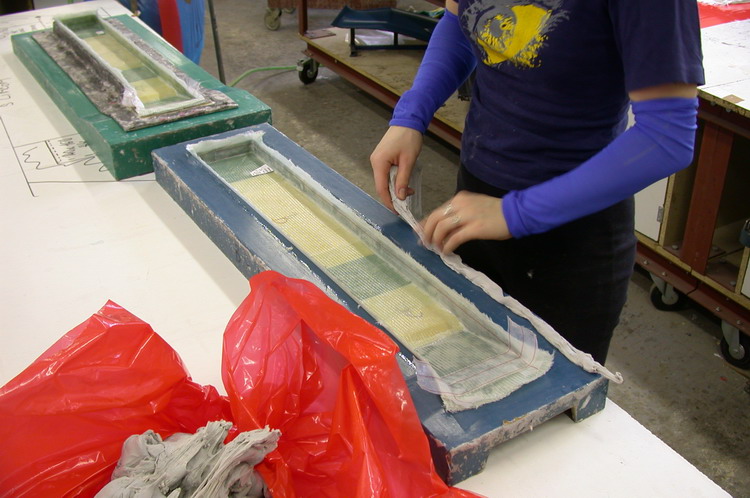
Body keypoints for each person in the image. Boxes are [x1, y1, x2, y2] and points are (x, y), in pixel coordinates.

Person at [369, 0, 705, 364]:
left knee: (550, 391)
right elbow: (460, 22)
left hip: (570, 228)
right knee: (463, 365)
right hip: (476, 204)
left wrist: (516, 213)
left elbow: (666, 137)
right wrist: (411, 114)